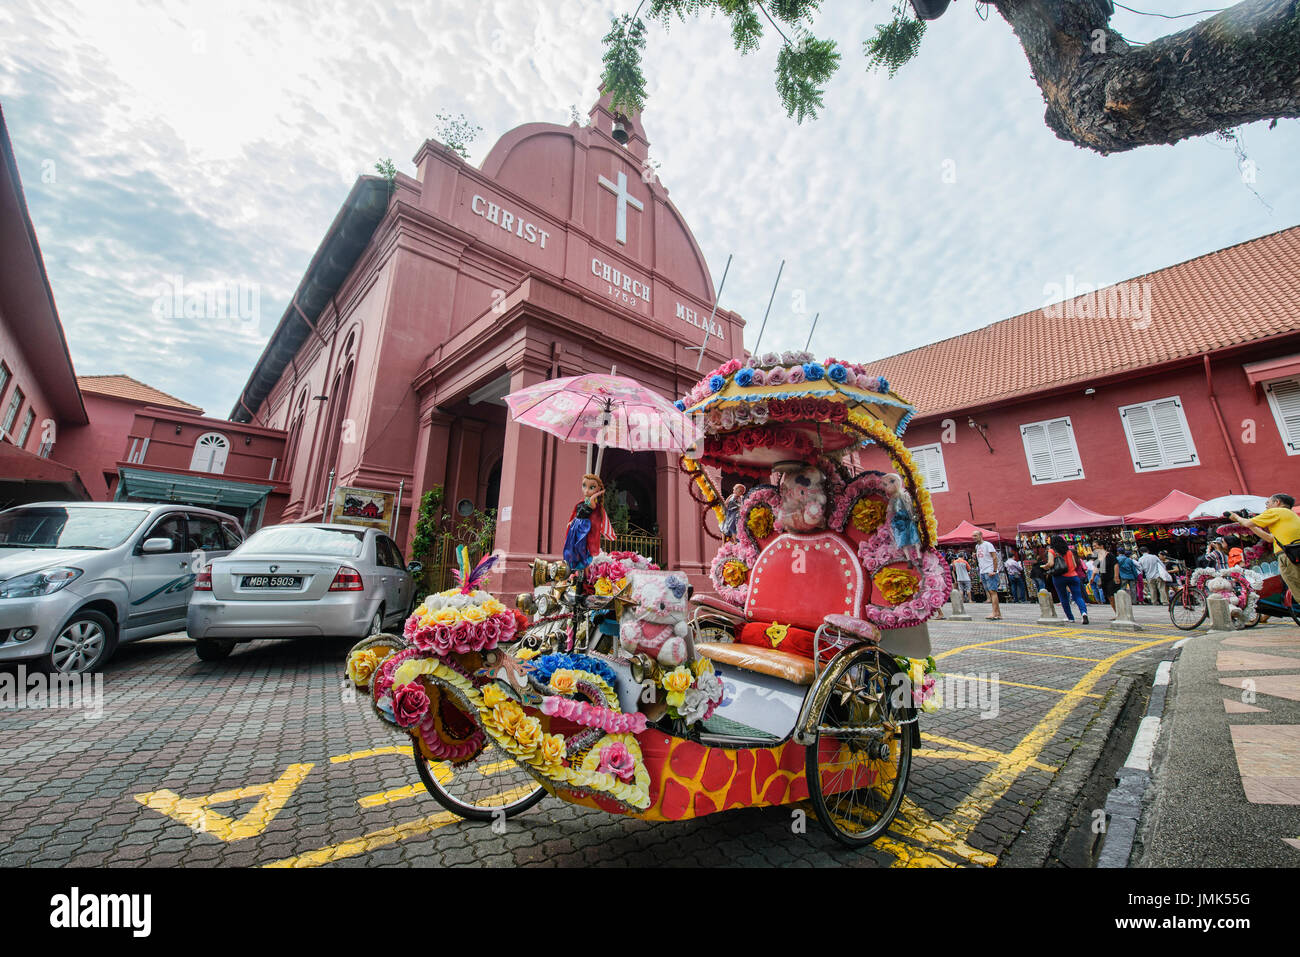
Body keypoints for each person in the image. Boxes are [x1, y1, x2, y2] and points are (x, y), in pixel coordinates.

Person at [1231, 493, 1300, 603]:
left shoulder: (1276, 511)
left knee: (1297, 589)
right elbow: (1269, 538)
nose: (1266, 506)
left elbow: (1246, 523)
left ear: (1277, 502)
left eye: (1268, 503)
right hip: (1294, 552)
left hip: (1288, 556)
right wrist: (1250, 524)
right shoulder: (1290, 515)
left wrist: (1236, 517)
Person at [562, 473, 615, 576]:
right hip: (576, 527)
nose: (586, 490)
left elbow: (590, 504)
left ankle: (585, 576)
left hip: (584, 528)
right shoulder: (582, 502)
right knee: (573, 548)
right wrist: (571, 521)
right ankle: (578, 573)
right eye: (584, 486)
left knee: (583, 550)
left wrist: (598, 493)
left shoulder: (593, 503)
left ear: (598, 489)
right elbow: (577, 513)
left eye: (591, 487)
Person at [1047, 534, 1089, 624]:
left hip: (1059, 577)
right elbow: (1074, 565)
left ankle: (1070, 618)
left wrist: (1045, 566)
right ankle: (1084, 613)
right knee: (1078, 596)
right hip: (1073, 576)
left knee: (1063, 598)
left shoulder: (1052, 551)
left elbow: (1050, 563)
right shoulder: (1069, 552)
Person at [973, 530, 1001, 620]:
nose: (974, 537)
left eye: (976, 535)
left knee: (993, 592)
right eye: (973, 536)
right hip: (983, 571)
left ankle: (994, 613)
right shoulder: (977, 546)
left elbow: (994, 557)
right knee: (990, 592)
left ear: (981, 535)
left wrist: (994, 570)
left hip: (989, 571)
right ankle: (998, 613)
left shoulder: (988, 544)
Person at [1092, 541, 1118, 613]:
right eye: (1093, 546)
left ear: (1101, 546)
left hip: (1111, 578)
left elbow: (1115, 565)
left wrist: (1116, 576)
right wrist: (1092, 577)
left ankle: (1119, 612)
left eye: (1095, 546)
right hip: (1104, 578)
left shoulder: (1109, 555)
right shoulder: (1097, 556)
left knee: (1112, 596)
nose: (1094, 548)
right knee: (1109, 596)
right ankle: (1116, 612)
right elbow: (1096, 568)